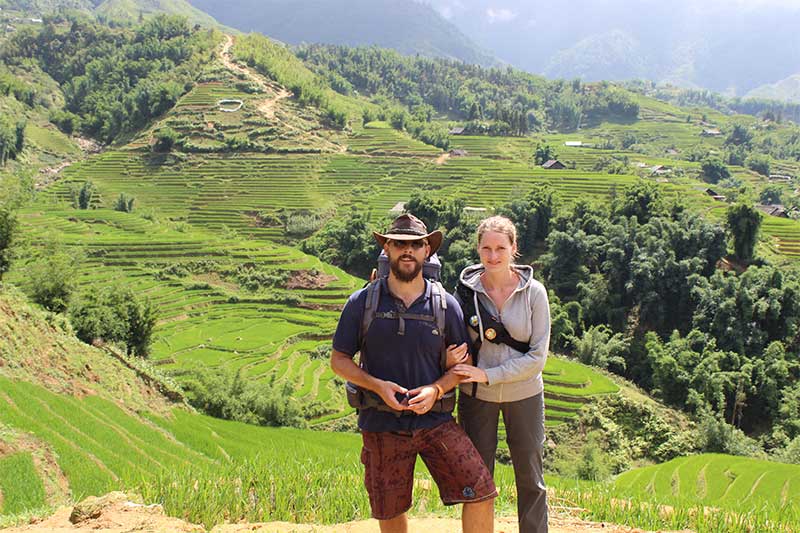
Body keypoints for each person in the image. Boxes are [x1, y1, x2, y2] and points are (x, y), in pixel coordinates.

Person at [331, 213, 497, 533]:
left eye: (415, 245)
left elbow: (461, 368)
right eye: (399, 244)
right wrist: (377, 386)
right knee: (390, 509)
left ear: (426, 252)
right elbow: (339, 360)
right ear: (388, 250)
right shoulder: (362, 303)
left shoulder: (445, 305)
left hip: (435, 421)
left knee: (480, 491)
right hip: (381, 424)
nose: (407, 250)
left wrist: (436, 389)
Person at [451, 215, 551, 533]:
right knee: (478, 476)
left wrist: (489, 375)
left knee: (530, 476)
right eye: (486, 249)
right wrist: (450, 356)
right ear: (478, 249)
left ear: (513, 248)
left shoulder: (534, 293)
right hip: (476, 398)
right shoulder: (465, 293)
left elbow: (537, 358)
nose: (493, 256)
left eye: (500, 248)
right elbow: (452, 340)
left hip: (525, 394)